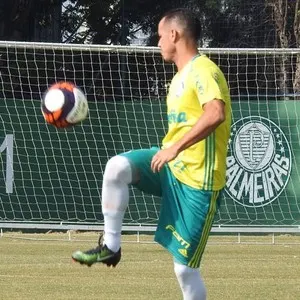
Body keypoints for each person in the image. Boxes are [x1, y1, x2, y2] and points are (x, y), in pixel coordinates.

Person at [72, 8, 231, 300]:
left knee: (185, 271)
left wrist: (174, 147)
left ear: (174, 35)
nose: (157, 42)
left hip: (199, 183)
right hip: (172, 169)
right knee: (117, 167)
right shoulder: (178, 78)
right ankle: (111, 246)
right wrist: (172, 151)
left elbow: (215, 113)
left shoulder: (204, 70)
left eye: (159, 36)